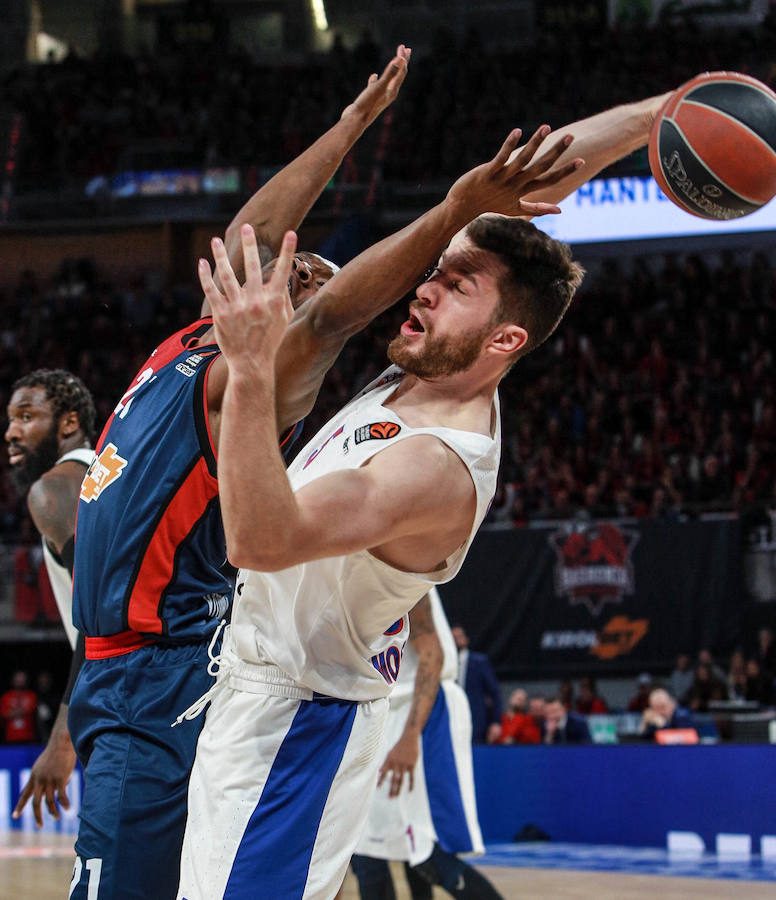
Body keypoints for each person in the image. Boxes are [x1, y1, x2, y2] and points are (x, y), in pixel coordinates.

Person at [177, 83, 680, 899]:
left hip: (295, 723)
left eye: (456, 285)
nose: (424, 288)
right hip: (259, 694)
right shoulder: (432, 364)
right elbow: (525, 185)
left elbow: (260, 539)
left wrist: (250, 368)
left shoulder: (437, 468)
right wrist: (662, 113)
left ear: (505, 338)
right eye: (438, 273)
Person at [67, 49, 414, 900]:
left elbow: (333, 318)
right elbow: (250, 234)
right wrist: (348, 129)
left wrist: (449, 215)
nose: (290, 269)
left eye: (306, 281)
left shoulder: (256, 381)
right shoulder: (188, 345)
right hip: (116, 671)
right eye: (289, 263)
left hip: (161, 674)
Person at [350, 589, 503, 900]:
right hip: (388, 711)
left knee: (426, 849)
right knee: (374, 845)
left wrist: (410, 737)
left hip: (424, 710)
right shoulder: (352, 573)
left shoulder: (401, 565)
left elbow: (432, 655)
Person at [5, 369, 95, 826]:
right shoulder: (107, 472)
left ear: (67, 423)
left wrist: (62, 742)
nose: (11, 433)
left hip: (131, 702)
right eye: (10, 419)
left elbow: (101, 614)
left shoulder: (56, 489)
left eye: (26, 416)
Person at [451, 624, 503, 744]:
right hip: (452, 719)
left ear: (466, 639)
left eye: (460, 636)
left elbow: (494, 692)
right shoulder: (444, 662)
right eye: (453, 637)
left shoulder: (479, 662)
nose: (457, 640)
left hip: (476, 721)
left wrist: (496, 722)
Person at [0, 671, 38, 743]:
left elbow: (30, 709)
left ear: (26, 681)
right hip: (10, 737)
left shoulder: (32, 695)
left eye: (22, 679)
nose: (20, 681)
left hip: (28, 737)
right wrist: (21, 710)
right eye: (18, 679)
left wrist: (12, 711)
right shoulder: (5, 697)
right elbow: (4, 714)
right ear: (13, 680)